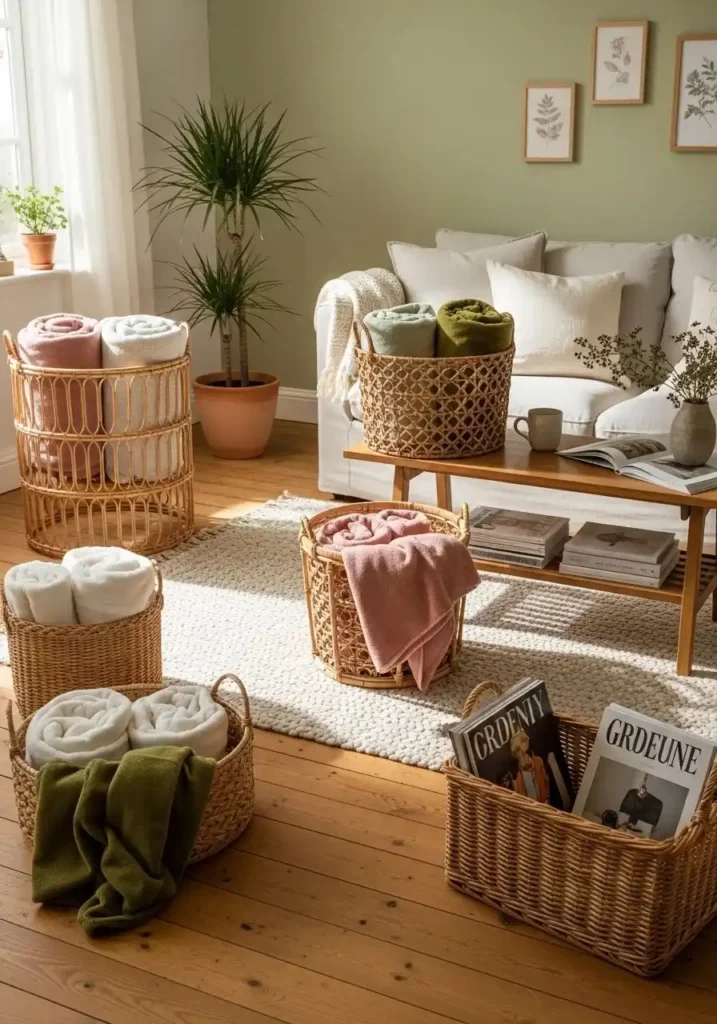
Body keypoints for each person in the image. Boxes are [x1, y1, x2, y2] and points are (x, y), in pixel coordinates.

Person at [509, 730, 549, 803]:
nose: (520, 755)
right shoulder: (518, 777)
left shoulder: (538, 762)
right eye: (517, 751)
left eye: (521, 750)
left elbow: (545, 785)